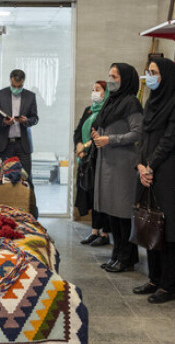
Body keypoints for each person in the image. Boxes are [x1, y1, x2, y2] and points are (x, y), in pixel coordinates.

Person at [136, 58, 175, 303]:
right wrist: (139, 165)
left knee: (166, 225)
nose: (149, 76)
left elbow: (170, 140)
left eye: (154, 72)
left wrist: (150, 166)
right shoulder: (152, 101)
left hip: (166, 169)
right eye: (148, 72)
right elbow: (143, 136)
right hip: (147, 169)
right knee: (150, 222)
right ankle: (154, 278)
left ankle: (169, 285)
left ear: (167, 75)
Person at [93, 62, 143, 273]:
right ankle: (117, 254)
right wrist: (97, 135)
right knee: (112, 212)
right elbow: (101, 124)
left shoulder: (131, 103)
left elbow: (137, 133)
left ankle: (127, 257)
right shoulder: (111, 101)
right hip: (108, 161)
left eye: (116, 76)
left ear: (127, 79)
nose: (111, 80)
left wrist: (110, 139)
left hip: (123, 163)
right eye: (110, 75)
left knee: (123, 213)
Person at [0, 69, 39, 217]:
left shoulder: (30, 96)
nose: (16, 88)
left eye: (19, 86)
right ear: (10, 80)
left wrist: (26, 121)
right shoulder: (1, 94)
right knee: (4, 178)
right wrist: (4, 121)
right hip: (5, 144)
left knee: (27, 178)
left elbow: (35, 118)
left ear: (23, 82)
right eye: (14, 85)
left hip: (22, 144)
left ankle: (31, 212)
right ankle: (4, 211)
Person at [74, 80, 110, 247]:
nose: (94, 92)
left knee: (102, 196)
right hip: (85, 159)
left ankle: (105, 233)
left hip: (100, 159)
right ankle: (94, 231)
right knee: (91, 197)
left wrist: (86, 146)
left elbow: (102, 134)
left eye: (98, 89)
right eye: (93, 89)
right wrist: (79, 147)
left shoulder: (107, 111)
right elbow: (78, 131)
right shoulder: (89, 110)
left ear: (105, 92)